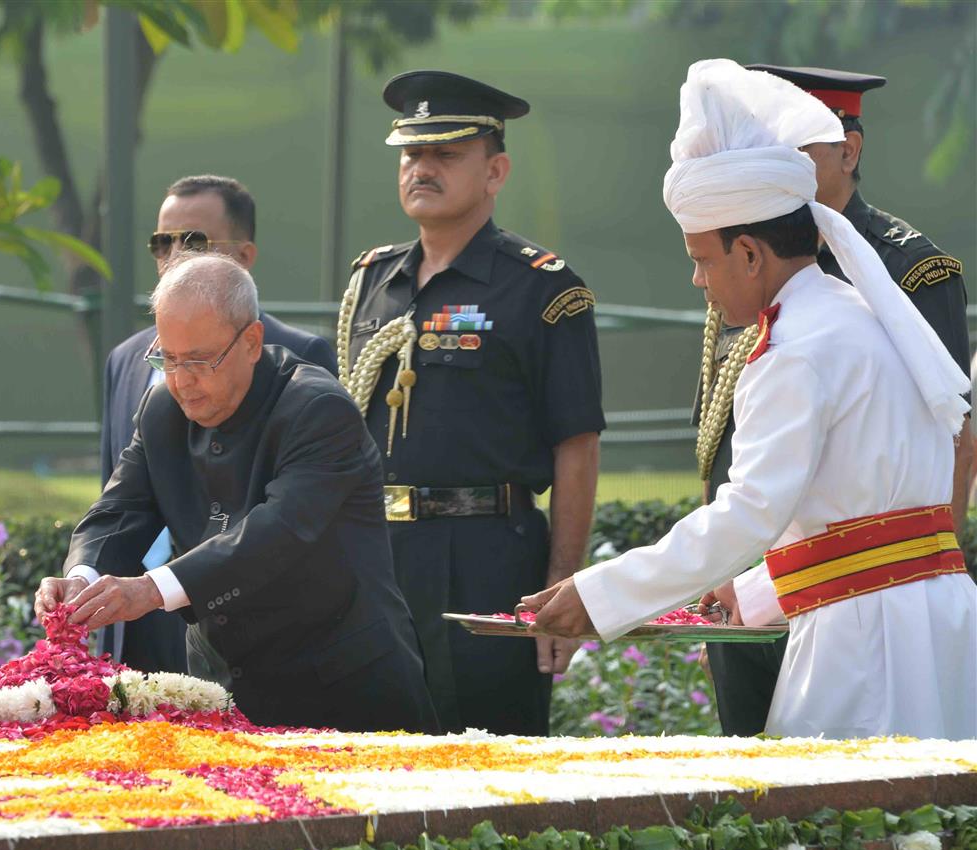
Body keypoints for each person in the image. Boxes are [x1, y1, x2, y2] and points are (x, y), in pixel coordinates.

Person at [524, 59, 976, 740]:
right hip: (929, 622)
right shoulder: (858, 313)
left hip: (866, 639)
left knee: (853, 834)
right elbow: (876, 521)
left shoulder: (793, 347)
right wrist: (758, 588)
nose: (698, 280)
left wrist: (601, 593)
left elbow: (748, 512)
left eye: (702, 259)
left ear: (750, 254)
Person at [37, 253, 439, 733]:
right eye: (167, 358)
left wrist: (150, 589)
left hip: (344, 692)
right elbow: (121, 510)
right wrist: (82, 577)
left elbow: (276, 533)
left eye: (201, 360)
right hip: (223, 692)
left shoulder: (318, 409)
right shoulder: (162, 407)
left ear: (251, 341)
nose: (182, 380)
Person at [693, 64, 972, 737]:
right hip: (748, 581)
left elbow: (948, 438)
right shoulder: (746, 250)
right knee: (754, 799)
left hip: (864, 586)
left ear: (848, 150)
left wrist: (919, 579)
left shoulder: (907, 269)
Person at [335, 70, 604, 735]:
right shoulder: (373, 282)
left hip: (488, 558)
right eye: (411, 154)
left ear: (495, 171)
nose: (422, 168)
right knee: (372, 752)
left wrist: (562, 587)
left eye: (445, 154)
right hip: (379, 556)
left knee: (487, 758)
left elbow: (577, 445)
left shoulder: (542, 289)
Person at [99, 175, 338, 675]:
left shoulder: (306, 371)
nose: (174, 257)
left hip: (250, 614)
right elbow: (121, 497)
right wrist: (88, 574)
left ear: (245, 257)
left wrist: (161, 587)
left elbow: (287, 522)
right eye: (162, 242)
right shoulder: (126, 360)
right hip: (140, 611)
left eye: (193, 242)